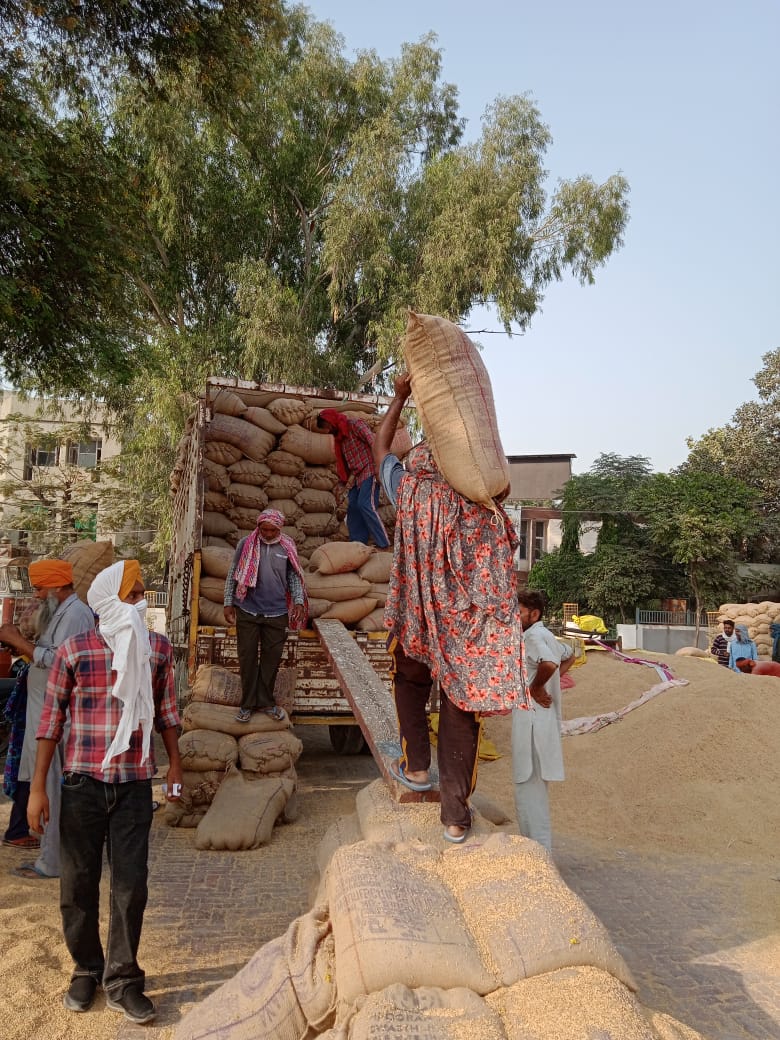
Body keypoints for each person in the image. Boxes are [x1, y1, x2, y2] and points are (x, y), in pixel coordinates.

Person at [373, 372, 529, 844]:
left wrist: (399, 396)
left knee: (409, 679)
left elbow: (380, 450)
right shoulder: (485, 504)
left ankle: (417, 769)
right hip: (471, 632)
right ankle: (456, 817)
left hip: (420, 617)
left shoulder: (410, 492)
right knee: (464, 705)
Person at [27, 559, 182, 1024]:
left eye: (139, 596)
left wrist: (175, 764)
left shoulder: (156, 648)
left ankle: (123, 978)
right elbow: (50, 724)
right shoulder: (75, 651)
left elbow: (168, 713)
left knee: (131, 885)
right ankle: (86, 969)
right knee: (77, 884)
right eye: (132, 595)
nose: (139, 604)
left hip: (134, 784)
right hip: (81, 784)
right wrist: (38, 790)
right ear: (109, 600)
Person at [0, 560, 95, 878]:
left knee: (55, 789)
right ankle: (49, 857)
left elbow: (59, 660)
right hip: (46, 715)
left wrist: (18, 642)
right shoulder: (60, 611)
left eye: (40, 588)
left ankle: (51, 863)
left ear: (56, 586)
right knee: (49, 789)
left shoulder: (76, 614)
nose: (37, 595)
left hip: (61, 719)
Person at [223, 509, 308, 723]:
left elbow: (294, 576)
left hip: (277, 612)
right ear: (258, 526)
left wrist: (298, 601)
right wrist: (228, 602)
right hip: (248, 610)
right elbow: (234, 572)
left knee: (271, 660)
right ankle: (247, 704)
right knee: (247, 657)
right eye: (264, 529)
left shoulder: (287, 546)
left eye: (273, 530)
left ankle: (266, 702)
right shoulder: (245, 544)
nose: (268, 534)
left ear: (280, 528)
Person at [512, 590, 574, 852]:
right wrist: (548, 684)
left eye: (519, 612)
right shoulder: (545, 634)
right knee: (530, 792)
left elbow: (549, 663)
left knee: (530, 793)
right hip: (539, 720)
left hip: (533, 723)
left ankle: (539, 857)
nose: (514, 617)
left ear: (533, 614)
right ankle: (535, 853)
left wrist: (537, 689)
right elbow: (568, 655)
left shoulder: (534, 636)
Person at [316, 408, 390, 548]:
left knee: (365, 504)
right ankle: (357, 545)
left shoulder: (355, 425)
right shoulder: (339, 439)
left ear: (331, 421)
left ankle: (383, 543)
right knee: (353, 508)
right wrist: (343, 483)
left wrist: (379, 465)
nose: (327, 431)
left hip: (370, 468)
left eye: (327, 427)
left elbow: (373, 442)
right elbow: (344, 464)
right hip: (356, 476)